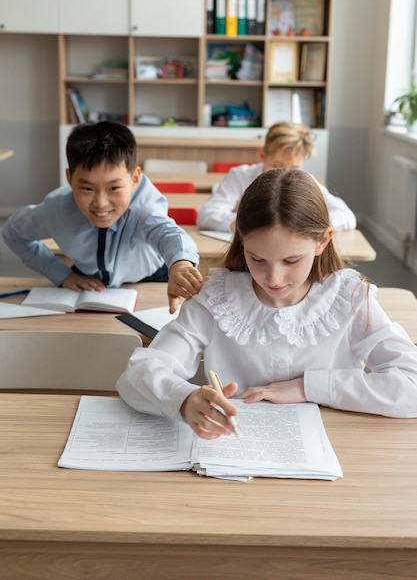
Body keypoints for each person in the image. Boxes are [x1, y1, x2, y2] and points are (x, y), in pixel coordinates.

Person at [117, 167, 417, 440]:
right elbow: (137, 373)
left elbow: (411, 385)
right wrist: (182, 399)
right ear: (242, 241)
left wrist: (308, 387)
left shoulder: (348, 297)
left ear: (322, 241)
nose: (273, 278)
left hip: (336, 448)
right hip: (236, 450)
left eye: (291, 261)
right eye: (257, 259)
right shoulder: (217, 298)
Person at [1, 121, 203, 312]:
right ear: (70, 179)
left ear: (134, 179)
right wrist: (61, 274)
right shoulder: (56, 210)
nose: (100, 203)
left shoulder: (145, 207)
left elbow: (169, 234)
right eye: (87, 188)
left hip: (147, 279)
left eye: (114, 187)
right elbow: (13, 232)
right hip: (85, 282)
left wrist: (181, 265)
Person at [197, 121, 357, 232]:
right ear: (262, 154)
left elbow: (347, 217)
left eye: (294, 168)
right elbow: (207, 215)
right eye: (277, 166)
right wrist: (261, 222)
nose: (284, 174)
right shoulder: (240, 176)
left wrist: (302, 224)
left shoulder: (306, 181)